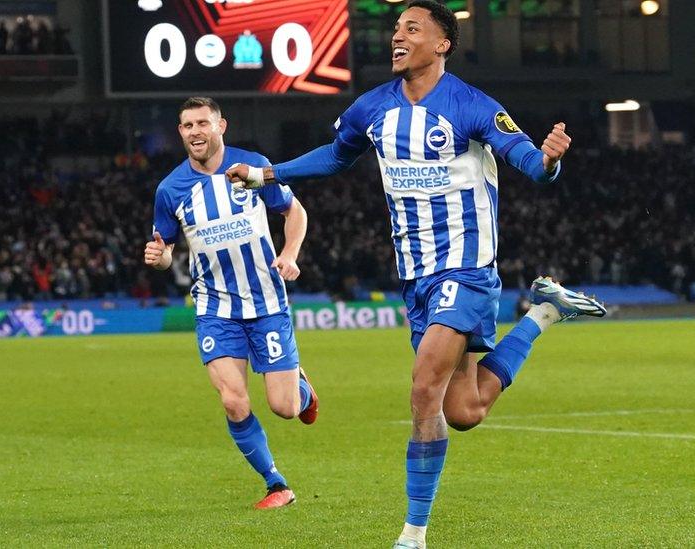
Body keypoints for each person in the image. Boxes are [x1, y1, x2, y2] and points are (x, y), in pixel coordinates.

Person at [224, 2, 606, 545]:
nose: (397, 38)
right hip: (416, 276)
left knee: (424, 389)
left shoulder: (472, 106)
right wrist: (268, 174)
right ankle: (544, 313)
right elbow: (337, 156)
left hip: (466, 268)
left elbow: (526, 160)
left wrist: (549, 161)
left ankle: (413, 533)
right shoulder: (372, 107)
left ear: (443, 43)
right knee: (465, 410)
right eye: (396, 29)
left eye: (412, 29)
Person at [144, 97, 318, 509]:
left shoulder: (251, 166)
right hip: (214, 307)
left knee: (285, 407)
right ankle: (276, 484)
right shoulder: (171, 190)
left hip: (266, 300)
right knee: (233, 399)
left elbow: (295, 212)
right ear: (180, 132)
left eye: (202, 123)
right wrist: (161, 258)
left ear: (221, 125)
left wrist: (290, 253)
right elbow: (165, 247)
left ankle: (303, 391)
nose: (195, 132)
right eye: (187, 125)